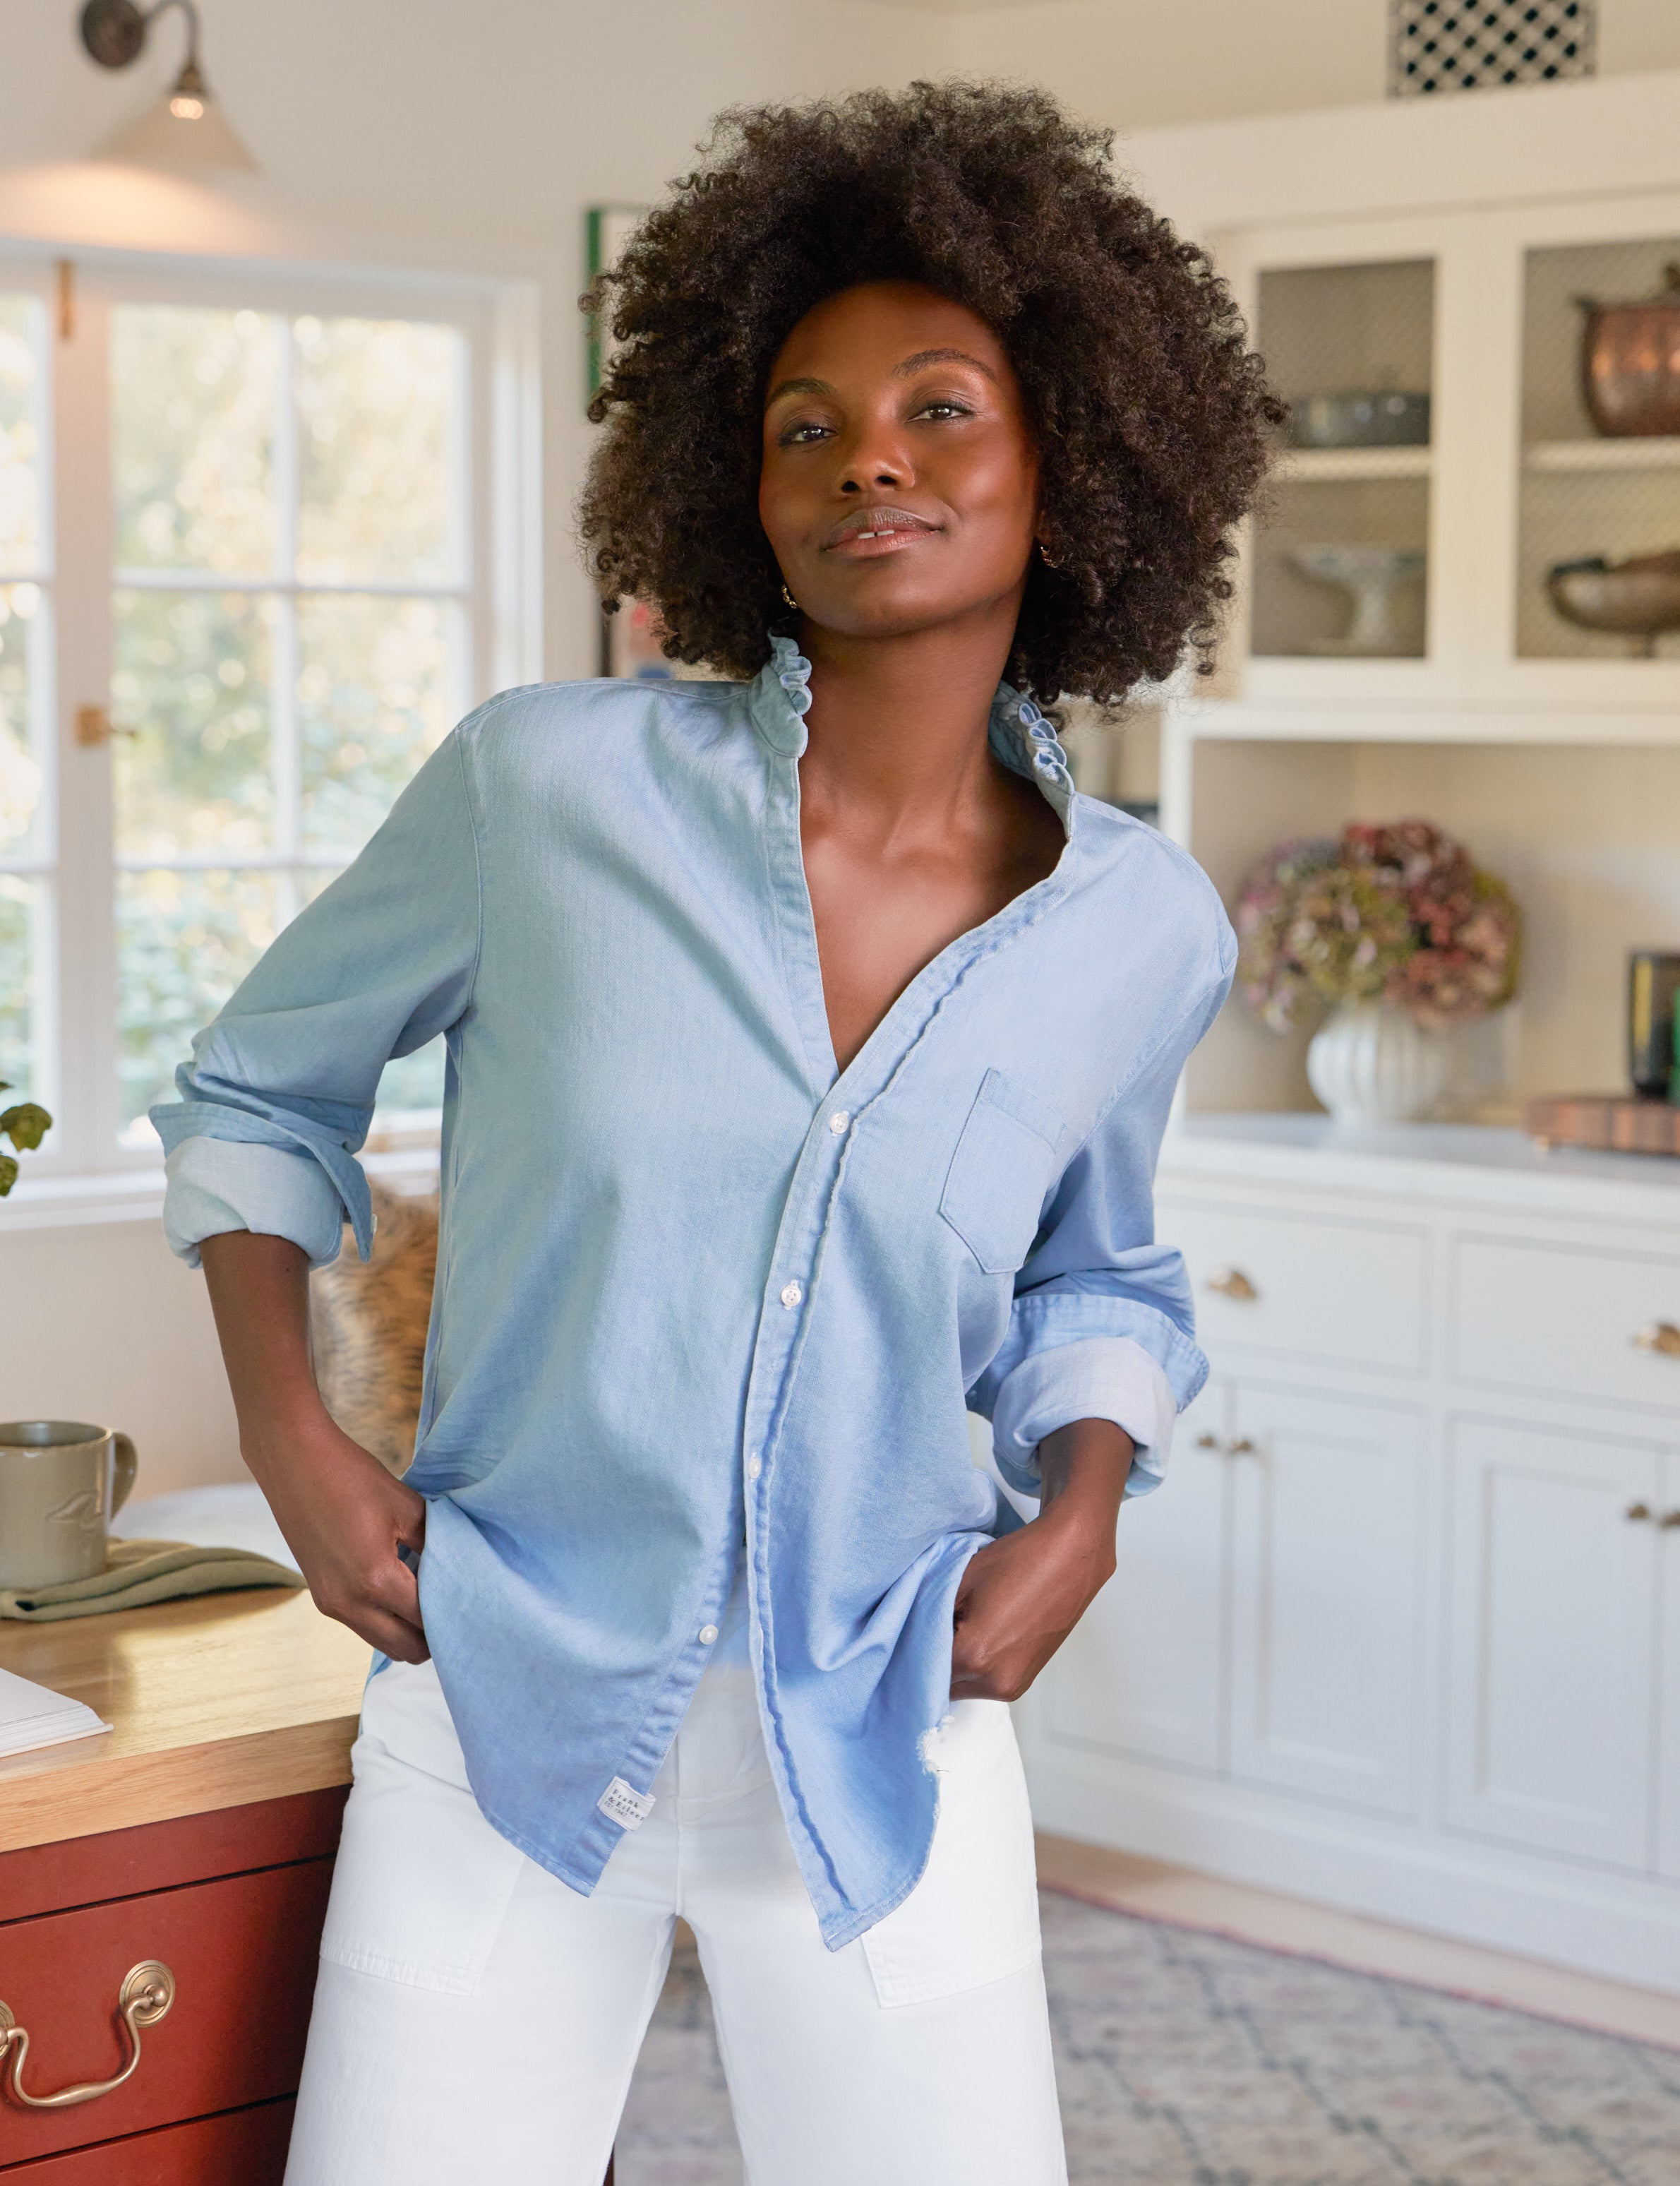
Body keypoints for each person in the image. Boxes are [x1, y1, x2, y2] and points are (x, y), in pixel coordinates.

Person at [155, 80, 1278, 2186]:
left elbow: (1096, 1273)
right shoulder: (544, 795)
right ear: (730, 492)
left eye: (942, 407)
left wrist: (1086, 1507)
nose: (868, 453)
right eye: (801, 421)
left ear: (1073, 459)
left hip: (885, 1729)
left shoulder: (1136, 926)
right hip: (495, 1700)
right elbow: (256, 1086)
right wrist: (300, 1452)